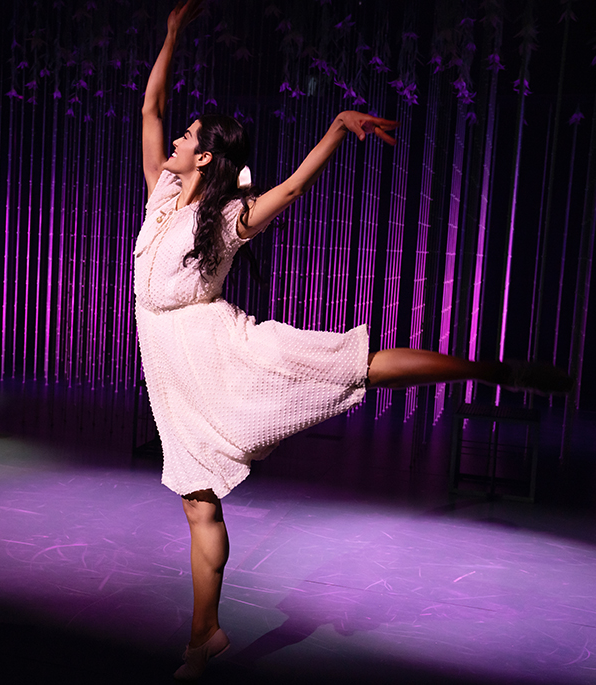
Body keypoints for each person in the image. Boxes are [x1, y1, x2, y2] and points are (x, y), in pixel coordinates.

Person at [136, 1, 571, 679]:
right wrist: (170, 34)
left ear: (208, 154)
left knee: (353, 365)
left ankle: (484, 367)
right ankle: (204, 636)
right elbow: (150, 109)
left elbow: (291, 189)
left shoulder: (226, 217)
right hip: (173, 371)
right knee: (198, 502)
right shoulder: (163, 196)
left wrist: (338, 128)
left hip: (222, 350)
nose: (176, 137)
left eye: (190, 134)